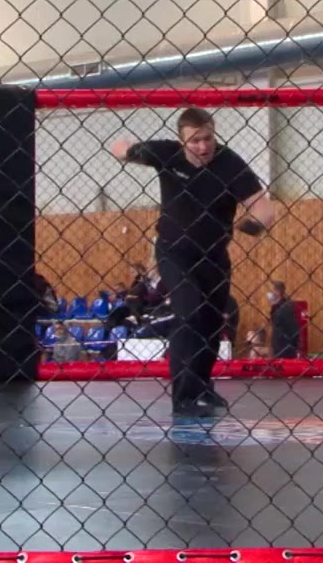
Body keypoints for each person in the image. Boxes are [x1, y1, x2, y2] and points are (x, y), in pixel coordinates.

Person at [111, 107, 275, 417]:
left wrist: (254, 223)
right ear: (181, 140)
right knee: (189, 312)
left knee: (212, 321)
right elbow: (120, 147)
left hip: (214, 255)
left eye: (208, 139)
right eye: (195, 141)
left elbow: (263, 207)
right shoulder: (166, 153)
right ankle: (183, 396)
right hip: (174, 252)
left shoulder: (229, 163)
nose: (202, 146)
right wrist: (128, 151)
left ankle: (201, 386)